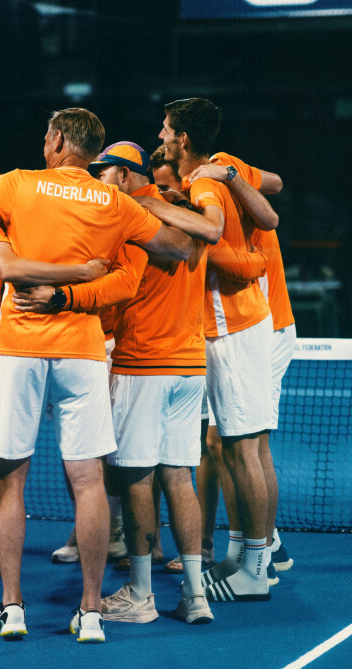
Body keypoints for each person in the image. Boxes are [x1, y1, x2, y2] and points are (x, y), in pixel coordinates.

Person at [0, 107, 219, 643]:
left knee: (9, 477)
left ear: (54, 141)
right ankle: (92, 612)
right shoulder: (115, 201)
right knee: (90, 480)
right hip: (84, 350)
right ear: (92, 152)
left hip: (22, 347)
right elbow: (179, 249)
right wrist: (150, 206)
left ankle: (13, 607)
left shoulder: (16, 185)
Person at [88, 141, 217, 625]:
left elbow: (117, 291)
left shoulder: (131, 217)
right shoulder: (186, 210)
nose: (98, 179)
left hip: (144, 362)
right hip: (189, 363)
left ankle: (141, 595)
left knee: (138, 477)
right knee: (180, 477)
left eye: (103, 171)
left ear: (122, 175)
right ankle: (196, 595)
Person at [158, 97, 281, 602]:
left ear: (183, 139)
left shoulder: (206, 182)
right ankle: (246, 556)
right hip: (238, 325)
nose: (161, 137)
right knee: (239, 447)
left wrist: (151, 204)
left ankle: (256, 567)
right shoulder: (210, 179)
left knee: (244, 447)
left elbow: (215, 238)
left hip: (231, 327)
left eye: (166, 130)